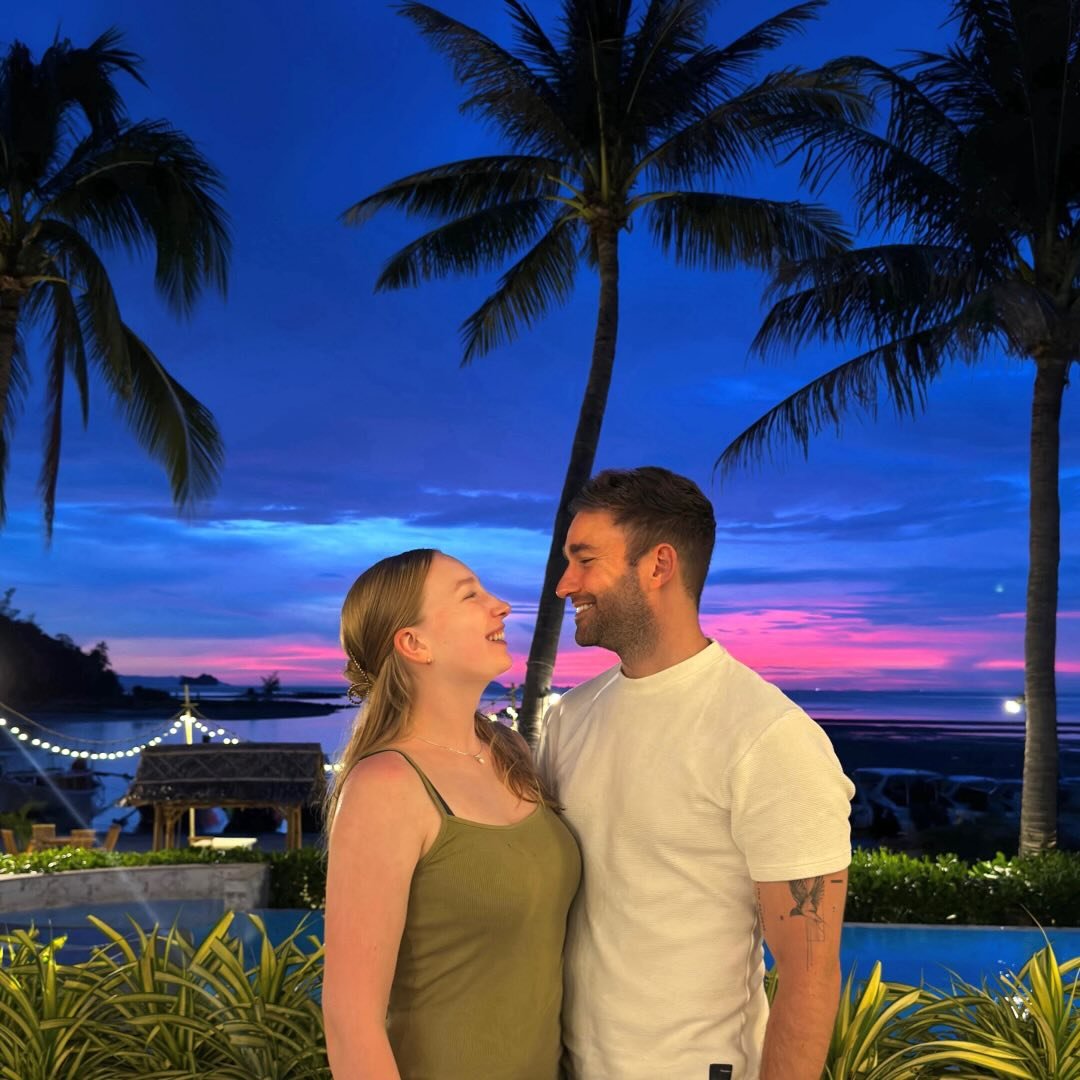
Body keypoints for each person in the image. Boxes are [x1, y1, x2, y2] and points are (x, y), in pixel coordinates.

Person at [538, 467, 856, 1080]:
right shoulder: (571, 717)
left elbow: (809, 975)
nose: (563, 584)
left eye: (584, 560)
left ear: (658, 565)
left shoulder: (767, 736)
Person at [323, 548, 581, 1080]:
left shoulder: (508, 753)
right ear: (414, 644)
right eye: (470, 596)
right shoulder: (386, 785)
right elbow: (351, 1024)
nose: (501, 606)